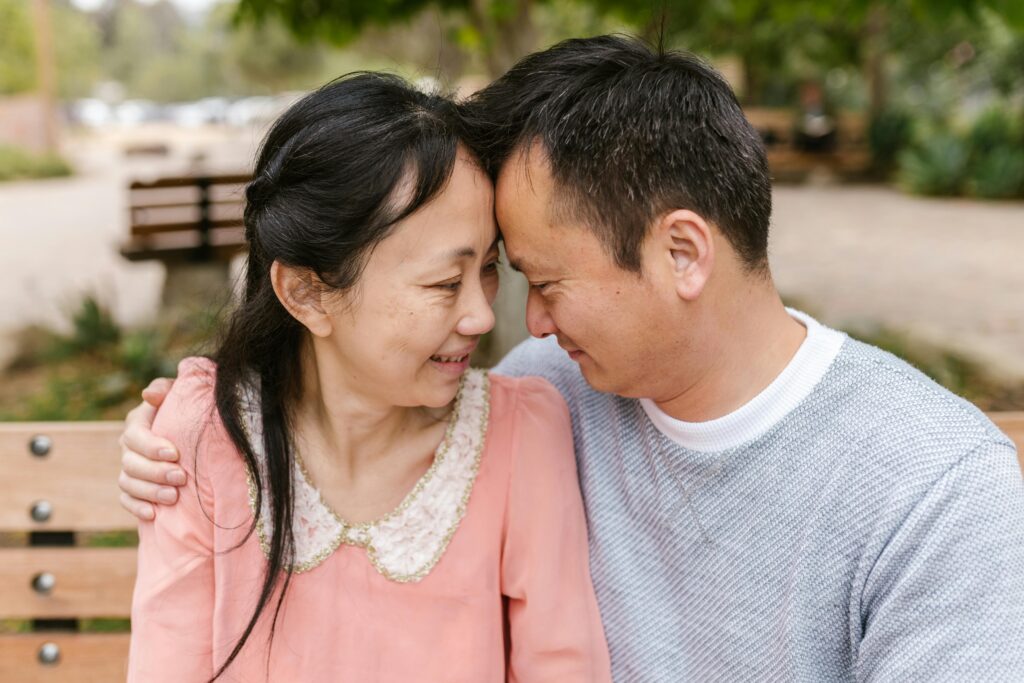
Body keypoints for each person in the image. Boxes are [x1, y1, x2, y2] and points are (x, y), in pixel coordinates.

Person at [120, 37, 1024, 681]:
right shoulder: (546, 394)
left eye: (539, 281)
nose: (524, 324)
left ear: (682, 253)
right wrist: (183, 429)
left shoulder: (937, 491)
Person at [125, 72, 611, 682]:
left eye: (488, 269)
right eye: (442, 284)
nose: (481, 315)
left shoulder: (519, 436)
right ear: (307, 292)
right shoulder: (208, 434)